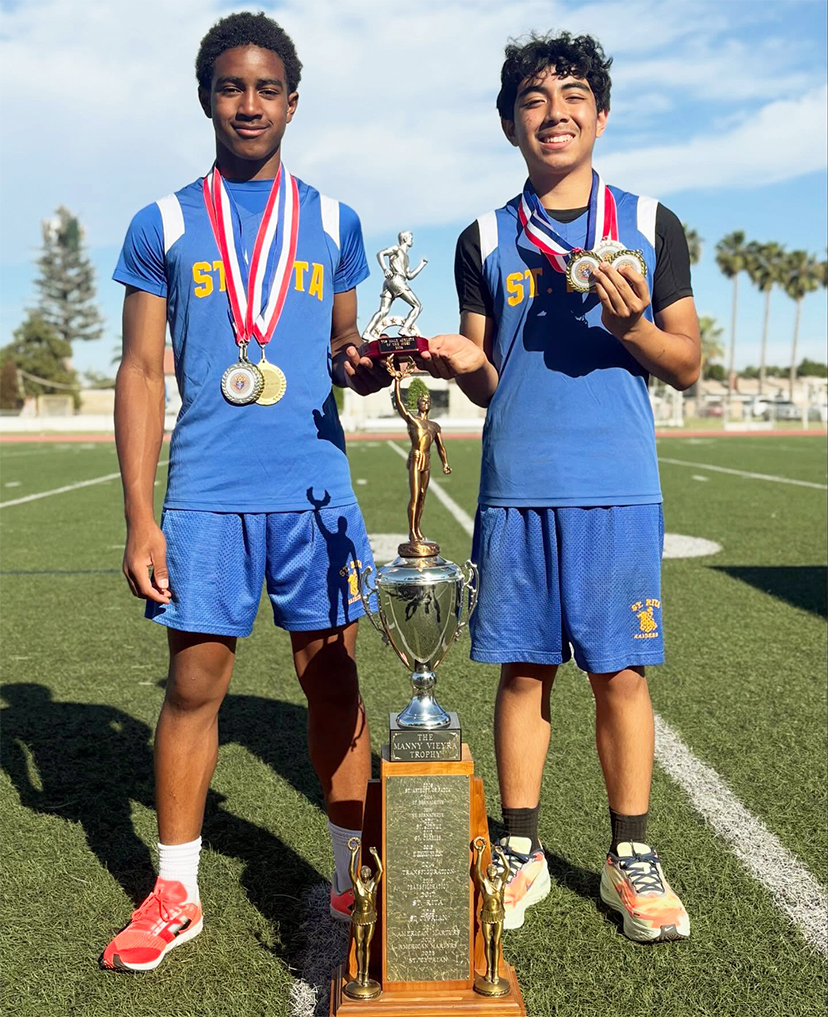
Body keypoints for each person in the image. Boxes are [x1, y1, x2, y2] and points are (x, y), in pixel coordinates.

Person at [102, 11, 390, 973]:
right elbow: (141, 371)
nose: (250, 103)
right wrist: (140, 515)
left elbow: (343, 343)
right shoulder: (163, 222)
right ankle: (175, 889)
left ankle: (353, 877)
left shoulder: (336, 221)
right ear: (206, 99)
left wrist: (363, 362)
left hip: (314, 493)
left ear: (293, 102)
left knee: (333, 681)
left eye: (268, 88)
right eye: (232, 87)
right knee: (193, 687)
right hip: (207, 496)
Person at [420, 32, 698, 943]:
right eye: (534, 99)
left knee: (620, 672)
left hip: (618, 486)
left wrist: (632, 327)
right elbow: (487, 377)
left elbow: (686, 362)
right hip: (517, 486)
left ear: (601, 116)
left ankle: (631, 855)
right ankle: (521, 847)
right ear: (511, 124)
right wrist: (459, 362)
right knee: (524, 668)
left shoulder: (650, 221)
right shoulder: (481, 236)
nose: (555, 113)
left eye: (574, 95)